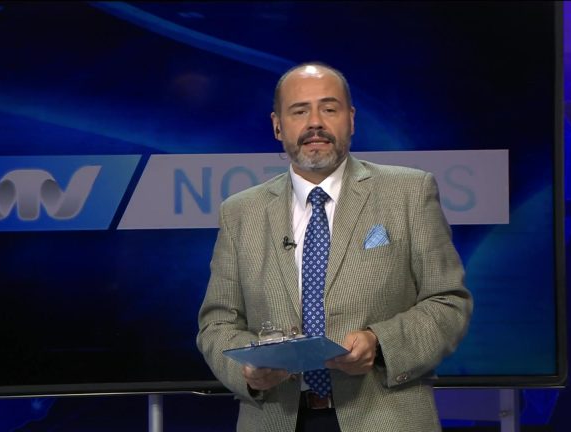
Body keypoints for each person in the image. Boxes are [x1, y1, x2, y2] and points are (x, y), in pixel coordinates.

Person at [197, 62, 472, 432]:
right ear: (278, 126)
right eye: (299, 111)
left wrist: (380, 344)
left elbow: (449, 302)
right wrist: (248, 371)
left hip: (385, 418)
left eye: (329, 109)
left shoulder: (409, 192)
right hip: (276, 418)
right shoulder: (241, 212)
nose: (315, 123)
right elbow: (217, 323)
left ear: (351, 120)